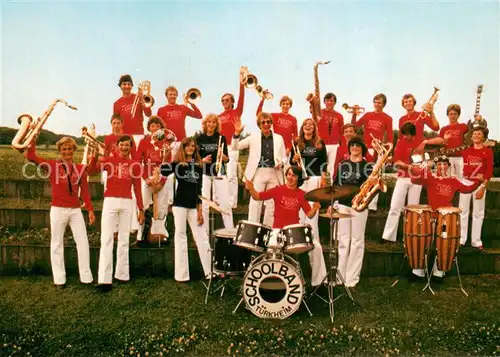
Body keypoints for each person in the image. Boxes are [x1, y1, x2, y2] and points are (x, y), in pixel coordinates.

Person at [25, 137, 94, 288]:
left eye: (70, 148)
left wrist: (90, 209)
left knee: (82, 242)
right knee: (56, 243)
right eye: (64, 149)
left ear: (74, 150)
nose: (67, 151)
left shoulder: (81, 168)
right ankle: (59, 279)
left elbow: (85, 192)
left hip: (75, 210)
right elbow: (31, 157)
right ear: (60, 151)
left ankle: (86, 277)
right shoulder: (52, 166)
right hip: (58, 209)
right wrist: (33, 141)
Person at [245, 166, 327, 287]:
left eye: (293, 175)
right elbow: (258, 196)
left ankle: (318, 282)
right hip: (277, 231)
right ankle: (269, 280)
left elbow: (309, 215)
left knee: (317, 247)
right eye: (288, 174)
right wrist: (251, 189)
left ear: (298, 178)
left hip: (294, 231)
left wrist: (315, 208)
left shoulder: (302, 195)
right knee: (270, 249)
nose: (290, 177)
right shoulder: (278, 190)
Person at [410, 155, 481, 281]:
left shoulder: (453, 180)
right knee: (424, 241)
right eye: (439, 164)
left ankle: (439, 270)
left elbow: (468, 188)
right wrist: (425, 165)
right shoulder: (430, 177)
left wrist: (479, 181)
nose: (442, 167)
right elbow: (414, 179)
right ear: (435, 166)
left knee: (443, 242)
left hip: (445, 219)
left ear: (448, 166)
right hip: (430, 216)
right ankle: (419, 269)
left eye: (444, 164)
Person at [88, 135, 144, 292]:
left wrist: (141, 209)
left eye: (127, 145)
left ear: (130, 147)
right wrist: (94, 157)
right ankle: (104, 280)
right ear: (117, 146)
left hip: (127, 202)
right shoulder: (109, 160)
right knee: (106, 238)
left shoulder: (135, 164)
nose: (125, 147)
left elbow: (137, 188)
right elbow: (91, 171)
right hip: (111, 201)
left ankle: (122, 274)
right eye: (122, 145)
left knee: (124, 239)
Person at [160, 137, 211, 282]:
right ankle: (182, 276)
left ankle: (209, 272)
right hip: (180, 205)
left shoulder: (199, 166)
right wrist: (165, 155)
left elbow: (199, 189)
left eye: (193, 146)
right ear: (183, 148)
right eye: (187, 146)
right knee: (180, 237)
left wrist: (200, 210)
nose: (190, 148)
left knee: (202, 236)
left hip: (194, 206)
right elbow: (164, 171)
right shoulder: (178, 164)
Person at [231, 112, 287, 227]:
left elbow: (284, 157)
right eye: (263, 122)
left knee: (272, 205)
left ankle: (269, 232)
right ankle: (252, 231)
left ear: (271, 123)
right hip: (258, 173)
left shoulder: (278, 138)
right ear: (259, 125)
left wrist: (281, 163)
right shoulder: (253, 137)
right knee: (255, 204)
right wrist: (237, 133)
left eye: (268, 122)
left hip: (274, 173)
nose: (266, 124)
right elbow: (235, 147)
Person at [334, 136, 374, 288]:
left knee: (357, 242)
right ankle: (340, 276)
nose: (355, 147)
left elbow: (370, 187)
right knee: (343, 242)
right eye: (352, 145)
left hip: (359, 207)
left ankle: (352, 278)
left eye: (358, 145)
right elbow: (336, 185)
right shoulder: (342, 164)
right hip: (343, 205)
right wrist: (334, 203)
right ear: (349, 147)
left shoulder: (368, 166)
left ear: (362, 148)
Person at [381, 122, 423, 243]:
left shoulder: (421, 142)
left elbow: (423, 162)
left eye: (407, 135)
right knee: (395, 207)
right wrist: (409, 166)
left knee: (412, 209)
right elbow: (396, 162)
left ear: (413, 134)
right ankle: (388, 236)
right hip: (403, 178)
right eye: (404, 135)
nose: (405, 137)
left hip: (417, 179)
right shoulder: (400, 142)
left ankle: (409, 236)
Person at [351, 93, 393, 210]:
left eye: (379, 102)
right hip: (366, 148)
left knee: (375, 175)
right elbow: (355, 126)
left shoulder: (388, 118)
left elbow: (390, 137)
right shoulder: (368, 115)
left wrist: (387, 150)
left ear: (384, 104)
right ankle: (359, 198)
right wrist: (354, 114)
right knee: (363, 173)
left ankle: (371, 204)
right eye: (375, 101)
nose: (377, 104)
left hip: (379, 149)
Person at [290, 118, 328, 246]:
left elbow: (324, 161)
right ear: (302, 127)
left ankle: (313, 239)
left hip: (314, 177)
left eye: (311, 124)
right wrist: (294, 159)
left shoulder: (319, 142)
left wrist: (323, 178)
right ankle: (299, 239)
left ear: (314, 128)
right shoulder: (296, 142)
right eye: (305, 124)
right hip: (300, 179)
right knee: (299, 207)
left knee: (312, 208)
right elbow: (291, 162)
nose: (308, 126)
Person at [196, 113, 234, 234]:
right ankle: (205, 232)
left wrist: (223, 157)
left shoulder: (221, 138)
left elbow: (227, 159)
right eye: (209, 122)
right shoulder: (199, 138)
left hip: (219, 172)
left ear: (216, 125)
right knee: (205, 204)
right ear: (205, 124)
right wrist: (201, 160)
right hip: (204, 173)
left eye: (213, 122)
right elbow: (194, 158)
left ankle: (230, 231)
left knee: (225, 203)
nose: (211, 124)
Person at [136, 117, 171, 242]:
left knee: (161, 206)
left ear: (161, 128)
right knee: (143, 205)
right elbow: (138, 162)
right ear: (149, 128)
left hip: (161, 178)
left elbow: (168, 164)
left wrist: (162, 181)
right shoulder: (143, 142)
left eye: (157, 126)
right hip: (148, 177)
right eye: (152, 126)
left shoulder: (166, 143)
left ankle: (159, 233)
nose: (155, 128)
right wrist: (146, 179)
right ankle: (140, 234)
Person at [458, 127, 493, 250]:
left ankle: (476, 241)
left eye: (479, 134)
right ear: (471, 137)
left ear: (484, 137)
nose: (476, 135)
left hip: (479, 185)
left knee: (478, 213)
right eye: (474, 133)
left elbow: (489, 171)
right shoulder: (466, 151)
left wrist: (483, 186)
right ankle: (462, 238)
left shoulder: (488, 151)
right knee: (463, 211)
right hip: (466, 182)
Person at [219, 67, 247, 208]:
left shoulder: (236, 112)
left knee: (231, 175)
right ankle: (220, 200)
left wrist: (241, 82)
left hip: (232, 146)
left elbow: (242, 98)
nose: (224, 102)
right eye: (223, 100)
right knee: (219, 175)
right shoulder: (218, 117)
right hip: (220, 148)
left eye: (227, 100)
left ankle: (232, 203)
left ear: (232, 102)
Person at [156, 85, 203, 159]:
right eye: (170, 94)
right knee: (170, 166)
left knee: (182, 164)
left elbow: (199, 116)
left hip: (182, 141)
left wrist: (191, 103)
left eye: (174, 94)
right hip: (169, 143)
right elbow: (159, 129)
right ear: (166, 96)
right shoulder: (161, 110)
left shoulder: (182, 107)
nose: (172, 96)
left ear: (177, 96)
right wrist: (161, 143)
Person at [113, 74, 152, 143]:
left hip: (138, 135)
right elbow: (115, 124)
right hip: (123, 136)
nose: (127, 86)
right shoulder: (116, 104)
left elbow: (148, 114)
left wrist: (143, 100)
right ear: (120, 86)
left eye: (129, 84)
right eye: (124, 84)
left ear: (132, 86)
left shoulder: (139, 97)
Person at [256, 94, 298, 159]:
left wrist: (289, 148)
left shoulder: (293, 119)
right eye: (283, 104)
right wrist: (263, 99)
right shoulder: (275, 116)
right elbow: (259, 113)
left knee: (285, 168)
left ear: (290, 106)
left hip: (287, 149)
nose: (285, 106)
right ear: (280, 105)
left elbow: (295, 136)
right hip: (275, 146)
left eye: (287, 104)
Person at [316, 92, 344, 177]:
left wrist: (342, 145)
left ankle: (329, 184)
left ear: (334, 102)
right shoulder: (319, 112)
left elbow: (341, 131)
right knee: (320, 164)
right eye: (327, 100)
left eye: (331, 101)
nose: (329, 102)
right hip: (322, 144)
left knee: (331, 166)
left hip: (334, 145)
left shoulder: (339, 116)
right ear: (324, 102)